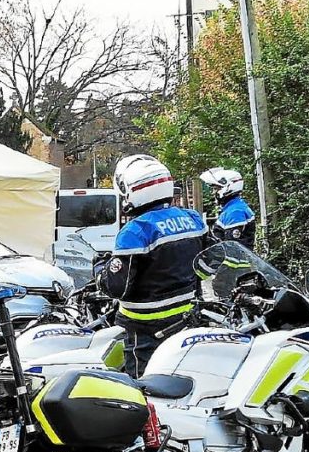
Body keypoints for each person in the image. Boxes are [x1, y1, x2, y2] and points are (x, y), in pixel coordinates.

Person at [98, 155, 207, 378]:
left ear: (133, 191)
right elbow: (207, 265)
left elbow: (118, 288)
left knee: (143, 384)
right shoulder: (193, 219)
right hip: (189, 317)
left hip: (145, 328)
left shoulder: (135, 231)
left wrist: (101, 270)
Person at [200, 167, 256, 249]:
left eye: (216, 189)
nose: (213, 192)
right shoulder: (234, 206)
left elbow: (232, 248)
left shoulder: (235, 212)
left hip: (236, 261)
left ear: (228, 188)